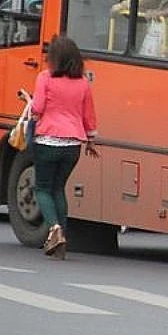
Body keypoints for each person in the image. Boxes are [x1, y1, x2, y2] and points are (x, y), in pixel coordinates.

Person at [30, 35, 99, 259]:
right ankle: (62, 238)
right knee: (59, 188)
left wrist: (30, 106)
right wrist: (91, 140)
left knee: (42, 188)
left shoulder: (45, 78)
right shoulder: (83, 83)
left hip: (48, 140)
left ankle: (54, 229)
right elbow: (89, 115)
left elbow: (38, 107)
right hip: (73, 145)